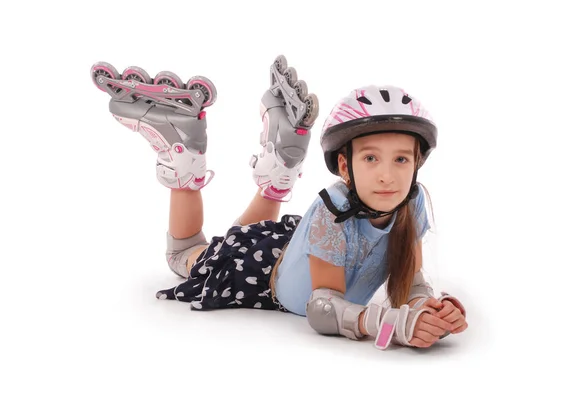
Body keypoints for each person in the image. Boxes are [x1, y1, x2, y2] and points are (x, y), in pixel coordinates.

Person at [91, 56, 467, 350]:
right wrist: (397, 326)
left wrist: (431, 310)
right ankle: (182, 155)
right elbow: (322, 309)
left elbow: (414, 282)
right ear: (344, 166)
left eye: (401, 160)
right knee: (185, 253)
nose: (388, 176)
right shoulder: (333, 212)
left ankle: (276, 175)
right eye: (371, 158)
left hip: (290, 249)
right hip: (258, 277)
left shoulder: (411, 203)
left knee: (238, 236)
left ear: (417, 164)